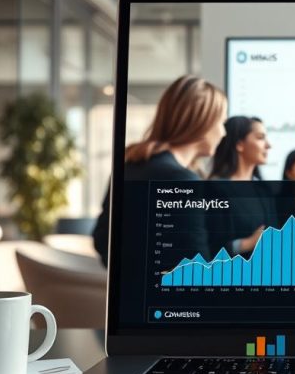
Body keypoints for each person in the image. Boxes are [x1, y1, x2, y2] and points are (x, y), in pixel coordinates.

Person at [91, 75, 227, 266]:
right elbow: (197, 266)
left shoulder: (129, 164)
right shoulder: (183, 180)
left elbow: (102, 241)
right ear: (202, 123)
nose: (223, 132)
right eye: (221, 122)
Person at [206, 116, 277, 258]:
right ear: (239, 144)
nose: (268, 145)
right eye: (260, 137)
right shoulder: (214, 189)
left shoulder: (264, 189)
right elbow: (208, 247)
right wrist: (248, 243)